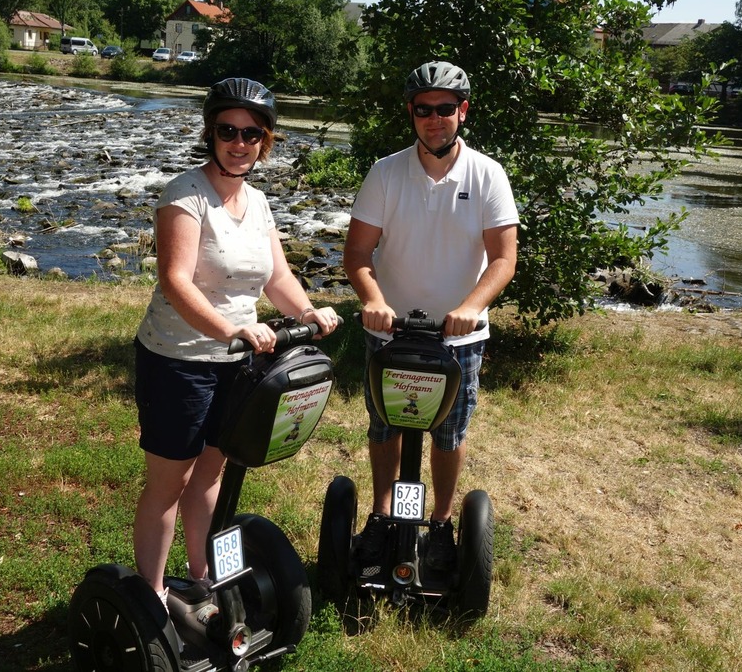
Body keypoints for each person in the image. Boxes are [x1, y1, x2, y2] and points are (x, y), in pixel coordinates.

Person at [132, 77, 340, 605]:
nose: (239, 142)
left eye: (252, 133)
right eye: (229, 130)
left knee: (210, 475)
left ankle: (203, 578)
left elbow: (277, 277)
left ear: (265, 141)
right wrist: (231, 329)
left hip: (239, 361)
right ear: (212, 132)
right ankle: (151, 596)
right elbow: (175, 281)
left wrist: (309, 309)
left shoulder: (259, 202)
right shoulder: (185, 195)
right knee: (170, 482)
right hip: (178, 359)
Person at [343, 60, 519, 570]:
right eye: (424, 110)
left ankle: (441, 522)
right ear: (412, 113)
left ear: (462, 111)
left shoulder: (488, 174)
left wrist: (469, 308)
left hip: (458, 338)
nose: (434, 119)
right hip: (390, 331)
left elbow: (504, 258)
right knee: (385, 427)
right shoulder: (386, 172)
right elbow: (357, 254)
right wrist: (373, 300)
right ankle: (380, 515)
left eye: (445, 109)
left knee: (449, 434)